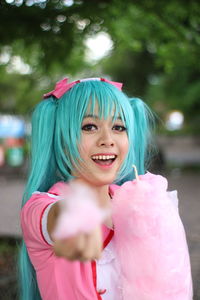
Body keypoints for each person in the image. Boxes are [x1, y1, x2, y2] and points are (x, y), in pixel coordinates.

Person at [20, 77, 193, 300]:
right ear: (61, 139)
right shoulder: (40, 208)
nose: (108, 139)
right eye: (89, 127)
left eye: (119, 127)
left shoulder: (136, 204)